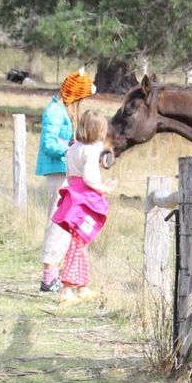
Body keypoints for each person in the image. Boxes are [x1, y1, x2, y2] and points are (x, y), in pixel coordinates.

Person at [36, 68, 96, 292]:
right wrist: (70, 149)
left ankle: (59, 272)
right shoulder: (54, 112)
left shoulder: (61, 111)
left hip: (65, 172)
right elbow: (49, 144)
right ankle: (49, 274)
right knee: (56, 220)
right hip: (56, 172)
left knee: (65, 222)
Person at [51, 109, 116, 305]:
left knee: (80, 242)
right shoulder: (92, 150)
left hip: (74, 195)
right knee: (77, 244)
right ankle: (66, 289)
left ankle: (82, 286)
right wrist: (103, 188)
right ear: (99, 131)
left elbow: (73, 173)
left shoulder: (73, 148)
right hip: (85, 200)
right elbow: (89, 177)